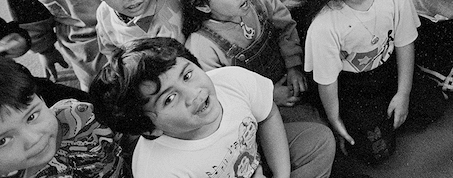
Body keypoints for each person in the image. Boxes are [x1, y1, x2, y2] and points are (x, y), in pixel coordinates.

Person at [174, 0, 336, 175]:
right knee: (316, 136)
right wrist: (269, 98)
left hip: (288, 82)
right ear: (202, 5)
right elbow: (222, 102)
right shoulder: (203, 46)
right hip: (258, 116)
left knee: (321, 121)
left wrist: (293, 66)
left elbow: (285, 28)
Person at [89, 37, 327, 178]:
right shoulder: (160, 170)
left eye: (188, 75)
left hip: (256, 162)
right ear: (151, 129)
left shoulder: (231, 80)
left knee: (319, 140)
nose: (194, 94)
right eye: (169, 99)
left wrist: (281, 175)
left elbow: (268, 114)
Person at [304, 0, 419, 164]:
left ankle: (384, 118)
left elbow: (405, 44)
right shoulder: (325, 27)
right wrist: (335, 120)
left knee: (432, 106)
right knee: (377, 154)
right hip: (353, 86)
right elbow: (327, 81)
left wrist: (403, 93)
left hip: (388, 70)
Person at [0, 57, 130, 178]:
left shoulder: (78, 114)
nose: (33, 139)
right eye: (3, 141)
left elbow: (124, 135)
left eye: (31, 117)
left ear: (42, 100)